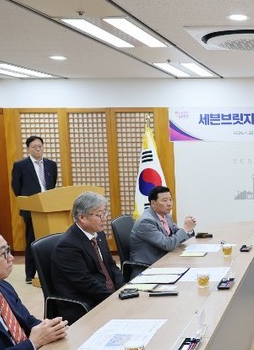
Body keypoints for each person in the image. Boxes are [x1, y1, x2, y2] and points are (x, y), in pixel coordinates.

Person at [51, 192, 124, 323]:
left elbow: (111, 265)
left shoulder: (99, 234)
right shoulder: (68, 245)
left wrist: (123, 289)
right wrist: (113, 298)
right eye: (99, 214)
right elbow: (84, 283)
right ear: (82, 218)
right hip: (85, 302)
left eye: (105, 213)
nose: (104, 218)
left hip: (105, 295)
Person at [11, 135, 58, 284]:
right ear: (28, 149)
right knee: (31, 240)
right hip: (32, 209)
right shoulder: (20, 165)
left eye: (40, 146)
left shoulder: (51, 164)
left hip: (49, 207)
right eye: (34, 147)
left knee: (49, 239)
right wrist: (29, 202)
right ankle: (30, 274)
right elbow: (16, 187)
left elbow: (52, 184)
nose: (38, 149)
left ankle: (49, 271)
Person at [129, 186, 196, 277]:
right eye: (164, 200)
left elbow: (177, 235)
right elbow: (167, 245)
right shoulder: (146, 222)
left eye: (170, 200)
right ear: (153, 203)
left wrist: (189, 230)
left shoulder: (166, 216)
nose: (169, 204)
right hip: (148, 268)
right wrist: (185, 228)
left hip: (165, 260)